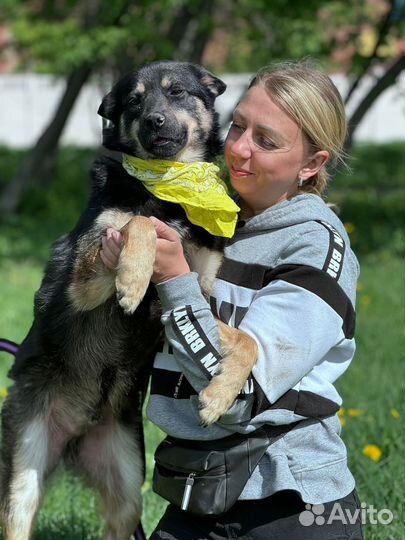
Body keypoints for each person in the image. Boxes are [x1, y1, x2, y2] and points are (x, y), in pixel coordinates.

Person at [101, 60, 363, 540]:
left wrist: (175, 279)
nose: (238, 148)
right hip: (198, 493)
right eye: (239, 126)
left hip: (289, 504)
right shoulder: (212, 212)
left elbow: (236, 399)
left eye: (266, 141)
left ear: (312, 164)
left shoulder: (315, 248)